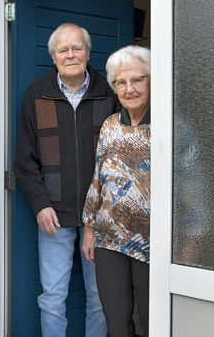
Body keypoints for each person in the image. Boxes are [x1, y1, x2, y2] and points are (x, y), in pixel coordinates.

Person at [14, 23, 118, 336]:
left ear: (88, 53)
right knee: (52, 298)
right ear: (54, 57)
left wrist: (102, 213)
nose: (71, 55)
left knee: (100, 299)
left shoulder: (109, 94)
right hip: (54, 217)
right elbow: (24, 160)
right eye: (63, 50)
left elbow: (118, 161)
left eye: (77, 48)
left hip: (99, 218)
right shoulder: (37, 94)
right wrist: (40, 204)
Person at [82, 45, 151, 337]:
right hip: (109, 239)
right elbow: (97, 178)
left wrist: (189, 242)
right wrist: (89, 228)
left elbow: (191, 187)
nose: (129, 89)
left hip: (153, 242)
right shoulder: (110, 125)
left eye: (137, 80)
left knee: (153, 321)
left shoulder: (170, 125)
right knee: (117, 323)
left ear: (152, 80)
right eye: (121, 82)